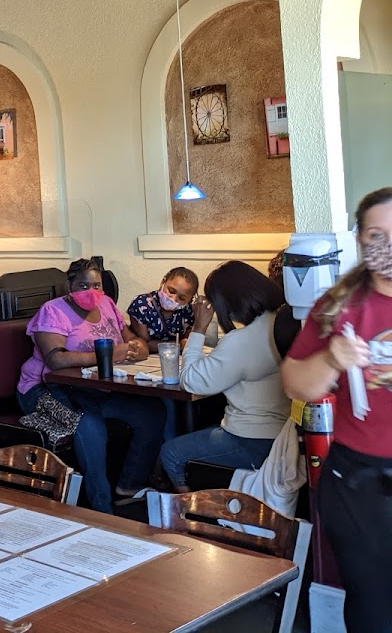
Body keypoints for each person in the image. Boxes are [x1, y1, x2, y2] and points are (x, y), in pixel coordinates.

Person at [282, 187, 392, 631]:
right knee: (374, 610)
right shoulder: (339, 307)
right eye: (377, 235)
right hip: (358, 484)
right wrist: (331, 359)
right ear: (360, 241)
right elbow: (295, 384)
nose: (388, 246)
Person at [16, 258, 162, 513]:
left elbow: (131, 340)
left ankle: (128, 486)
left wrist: (138, 347)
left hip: (96, 387)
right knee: (89, 424)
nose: (91, 292)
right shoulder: (52, 311)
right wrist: (110, 354)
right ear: (69, 285)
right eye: (83, 286)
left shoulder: (107, 304)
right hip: (45, 389)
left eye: (97, 285)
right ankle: (101, 506)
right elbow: (56, 359)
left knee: (152, 412)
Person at [159, 261, 289, 490]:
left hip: (252, 439)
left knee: (170, 453)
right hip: (284, 435)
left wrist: (199, 328)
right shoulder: (282, 320)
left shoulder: (241, 341)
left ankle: (189, 506)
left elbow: (190, 381)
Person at [126, 267, 198, 351]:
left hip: (176, 356)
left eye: (182, 298)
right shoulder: (141, 305)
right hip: (144, 356)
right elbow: (144, 344)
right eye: (171, 291)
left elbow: (188, 341)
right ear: (163, 282)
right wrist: (177, 345)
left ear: (190, 299)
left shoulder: (188, 311)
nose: (173, 298)